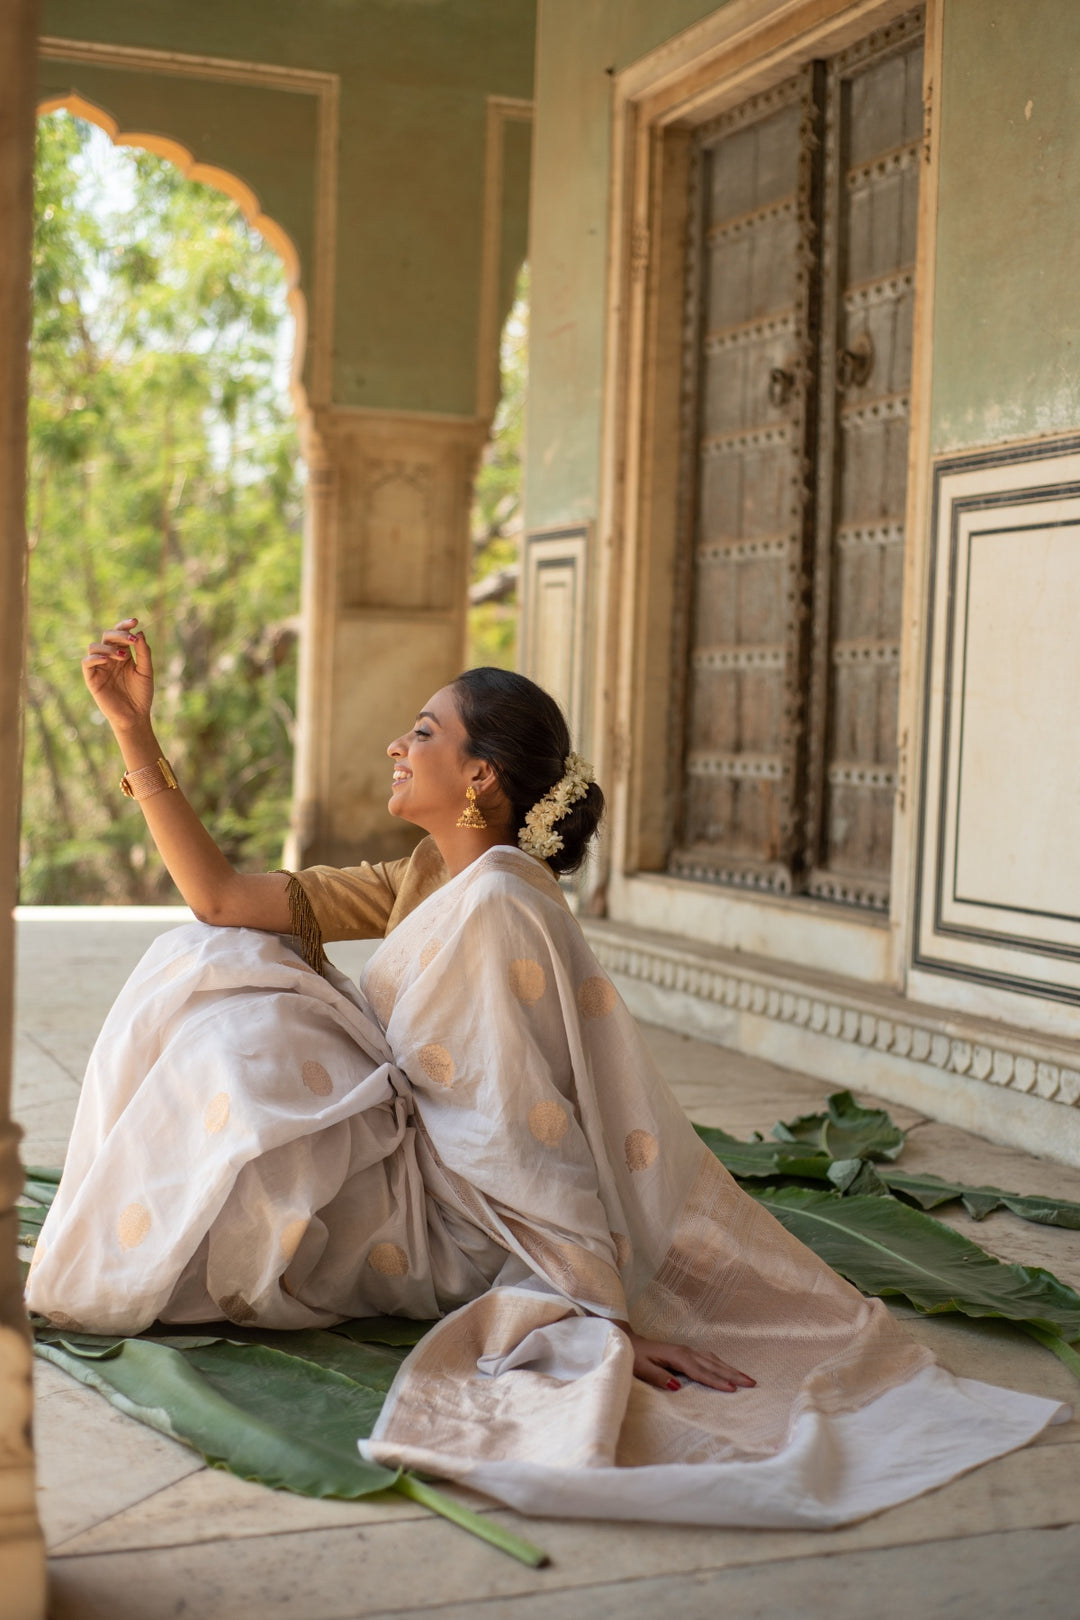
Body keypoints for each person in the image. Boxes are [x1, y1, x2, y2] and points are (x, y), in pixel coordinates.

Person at [26, 617, 1066, 1529]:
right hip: (400, 1156)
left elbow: (525, 1125)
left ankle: (186, 1232)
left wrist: (589, 1303)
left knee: (241, 1045)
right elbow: (217, 898)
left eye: (423, 732)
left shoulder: (502, 905)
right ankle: (161, 1227)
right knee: (216, 958)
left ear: (480, 775)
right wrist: (132, 729)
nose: (398, 744)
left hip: (454, 1207)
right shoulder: (423, 880)